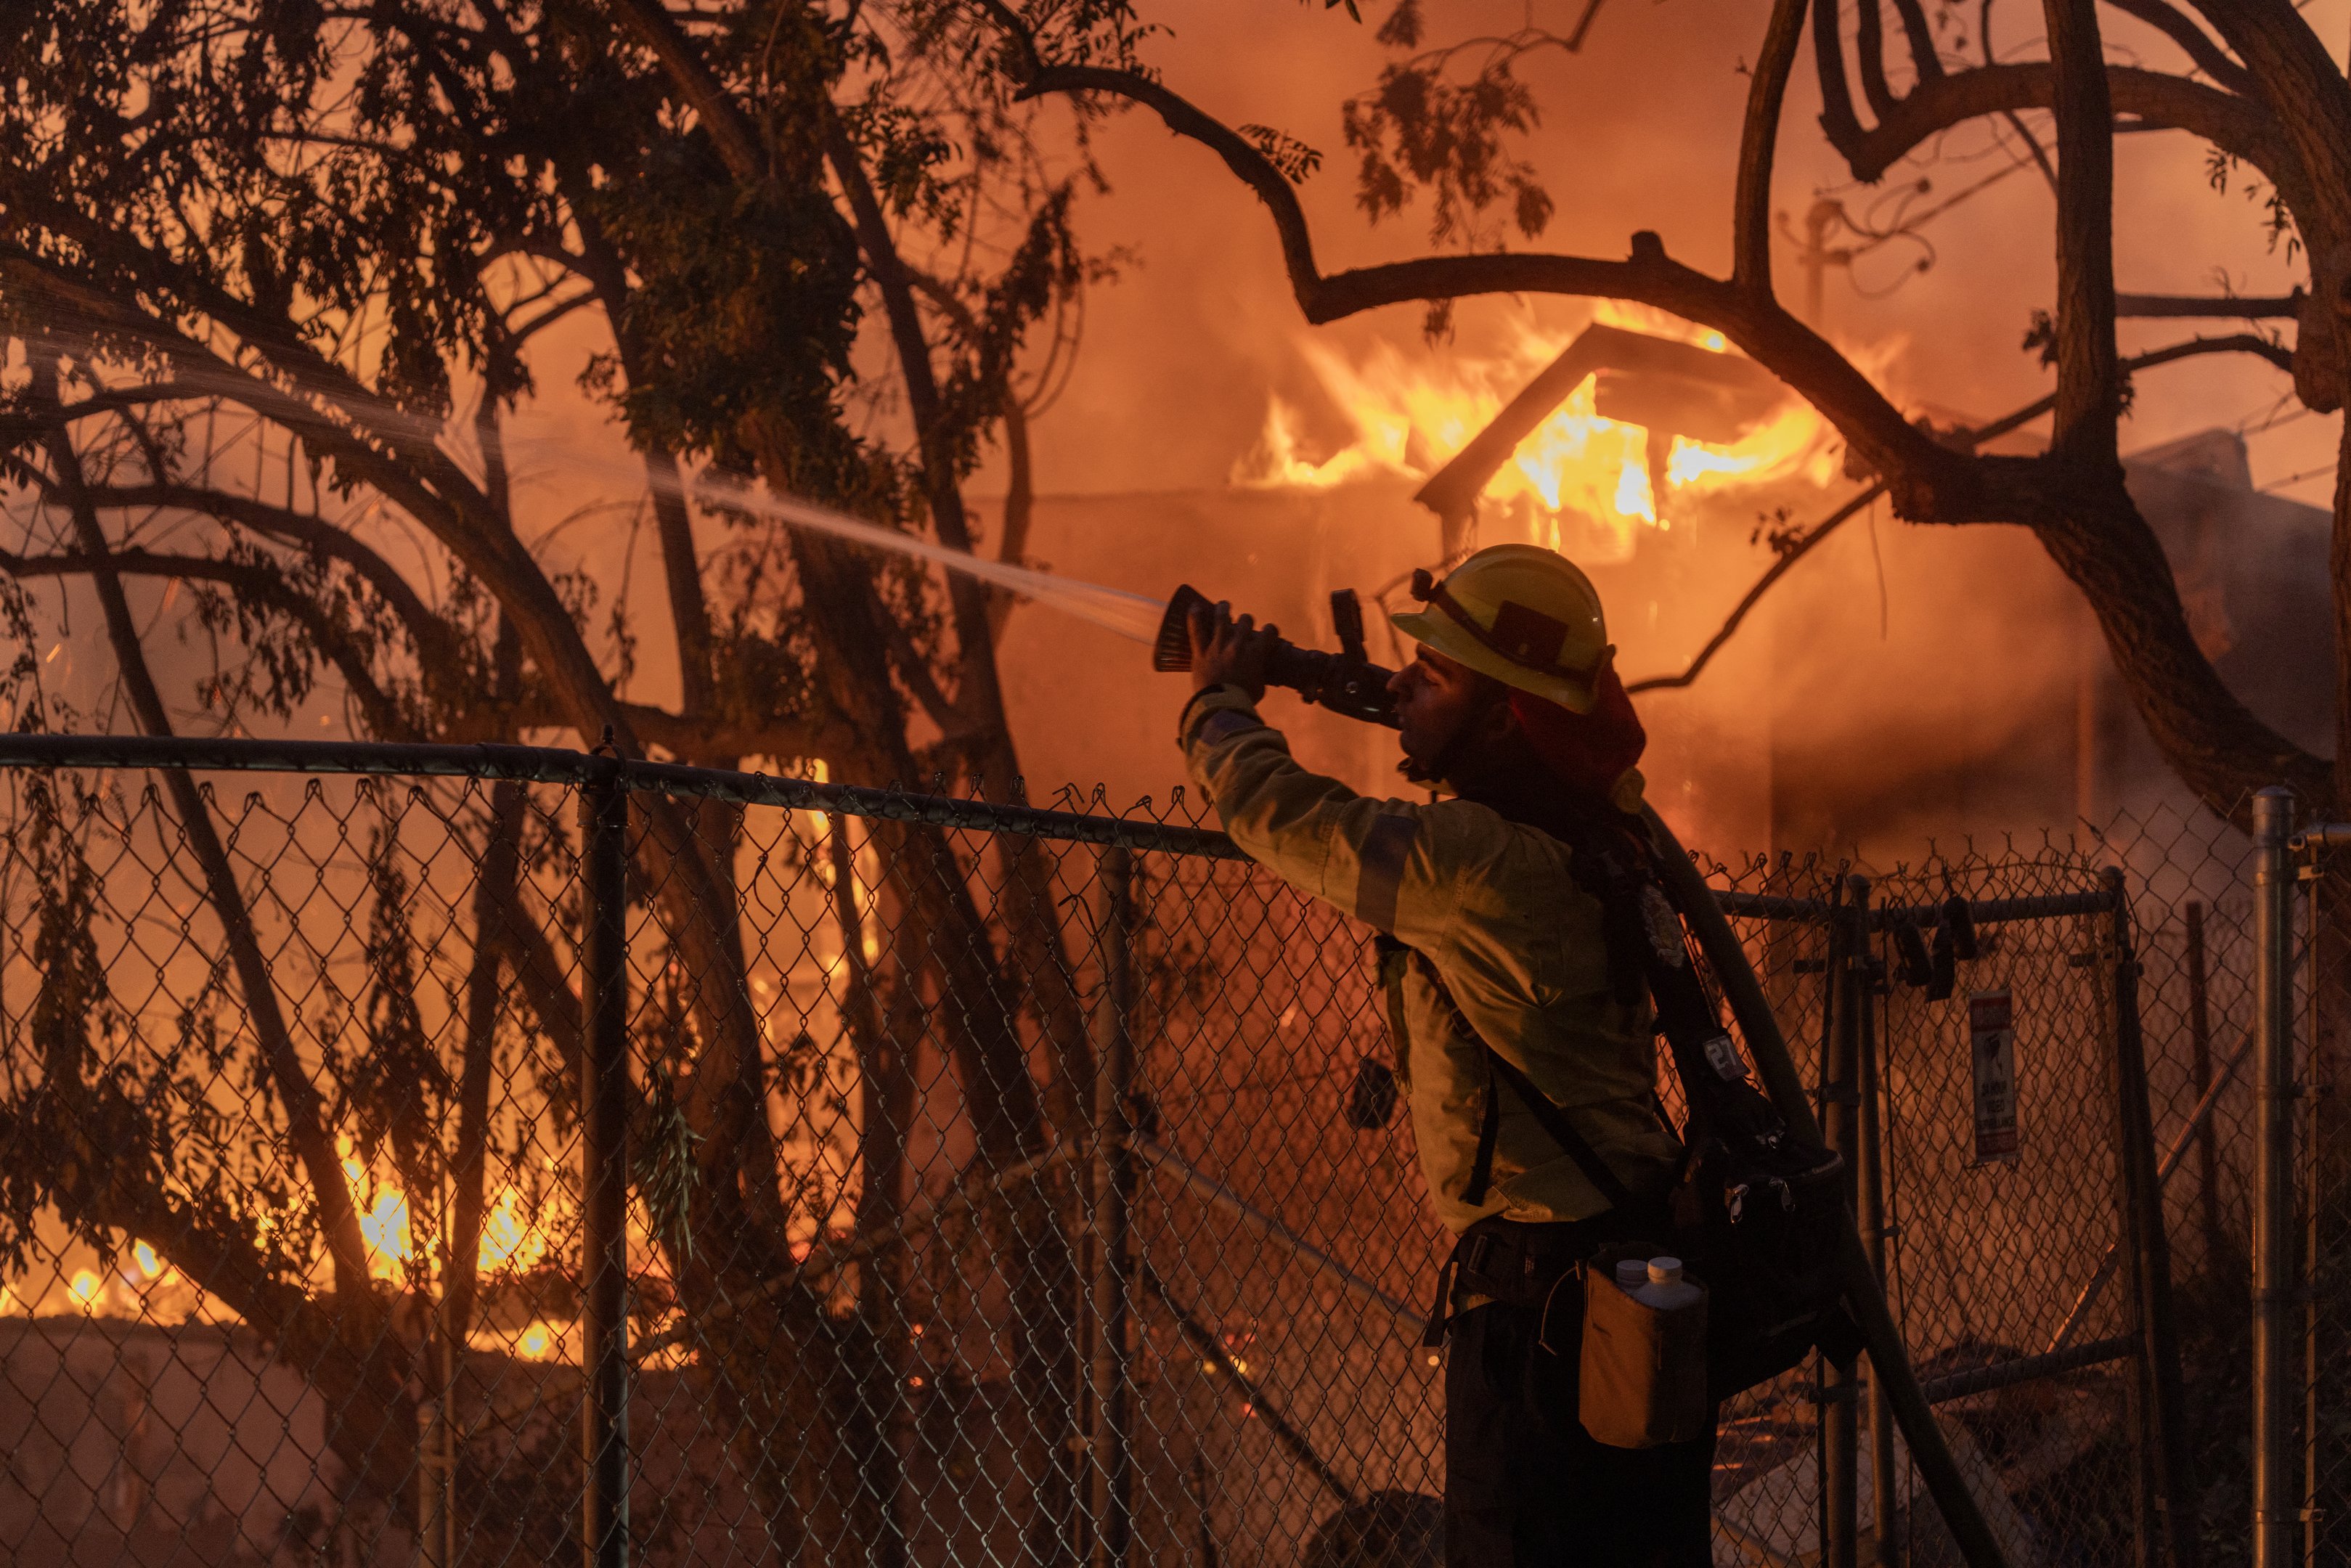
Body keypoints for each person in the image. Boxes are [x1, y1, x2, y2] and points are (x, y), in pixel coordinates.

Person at [1176, 543, 1716, 1568]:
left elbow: (1285, 820)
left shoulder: (1478, 862)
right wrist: (1337, 682)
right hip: (1640, 1285)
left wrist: (1220, 706)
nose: (1406, 684)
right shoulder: (1595, 833)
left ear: (1509, 716)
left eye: (1438, 675)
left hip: (1538, 1316)